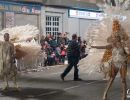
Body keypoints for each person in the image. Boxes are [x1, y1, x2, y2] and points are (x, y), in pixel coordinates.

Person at [92, 20, 129, 100]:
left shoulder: (124, 45)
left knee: (123, 80)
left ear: (119, 37)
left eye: (116, 36)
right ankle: (105, 94)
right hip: (114, 63)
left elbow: (127, 53)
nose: (115, 37)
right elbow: (103, 47)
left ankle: (124, 97)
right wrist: (94, 47)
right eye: (114, 36)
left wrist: (127, 49)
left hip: (123, 63)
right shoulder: (112, 45)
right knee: (111, 78)